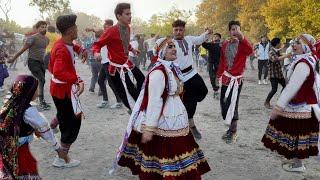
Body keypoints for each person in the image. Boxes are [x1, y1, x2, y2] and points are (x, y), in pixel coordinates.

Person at [115, 37, 211, 179]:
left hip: (176, 117)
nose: (173, 49)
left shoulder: (172, 68)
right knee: (166, 155)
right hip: (164, 121)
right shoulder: (158, 72)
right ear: (161, 52)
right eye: (169, 47)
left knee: (176, 154)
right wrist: (149, 128)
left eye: (174, 46)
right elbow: (154, 102)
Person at [261, 34, 319, 173]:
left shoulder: (303, 64)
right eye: (293, 42)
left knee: (296, 134)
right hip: (301, 103)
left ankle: (298, 164)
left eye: (297, 43)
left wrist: (279, 106)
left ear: (305, 47)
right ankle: (296, 162)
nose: (293, 45)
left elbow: (292, 86)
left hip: (301, 105)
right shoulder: (307, 59)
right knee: (296, 134)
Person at [0, 75, 68, 179]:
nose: (38, 93)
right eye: (36, 90)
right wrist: (58, 149)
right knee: (24, 171)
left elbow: (14, 123)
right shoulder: (28, 110)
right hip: (19, 151)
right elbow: (45, 129)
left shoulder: (9, 103)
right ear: (29, 92)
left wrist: (32, 129)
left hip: (4, 148)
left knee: (8, 172)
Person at [48, 14, 87, 168]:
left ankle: (52, 124)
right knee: (72, 123)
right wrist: (77, 80)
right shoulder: (60, 49)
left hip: (62, 90)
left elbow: (72, 46)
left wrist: (80, 49)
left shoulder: (66, 43)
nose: (77, 29)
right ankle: (61, 158)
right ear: (71, 30)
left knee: (66, 114)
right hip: (61, 91)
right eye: (76, 27)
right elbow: (58, 72)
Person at [92, 3, 145, 110]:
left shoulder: (128, 28)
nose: (130, 16)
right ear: (119, 16)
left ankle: (139, 106)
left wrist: (132, 49)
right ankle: (135, 111)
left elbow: (125, 43)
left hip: (126, 64)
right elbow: (97, 44)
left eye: (130, 13)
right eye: (127, 14)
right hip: (115, 69)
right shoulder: (111, 31)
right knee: (126, 94)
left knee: (142, 79)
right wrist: (96, 53)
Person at [172, 19, 211, 139]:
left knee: (203, 91)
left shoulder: (188, 39)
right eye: (176, 30)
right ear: (173, 30)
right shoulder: (170, 43)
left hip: (192, 73)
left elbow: (200, 39)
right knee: (190, 103)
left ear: (184, 30)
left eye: (181, 30)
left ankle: (188, 105)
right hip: (180, 77)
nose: (178, 32)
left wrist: (208, 32)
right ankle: (191, 126)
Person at [217, 20, 253, 144]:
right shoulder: (225, 43)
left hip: (236, 81)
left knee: (233, 105)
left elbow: (250, 51)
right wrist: (218, 76)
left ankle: (233, 132)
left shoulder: (243, 44)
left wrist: (242, 38)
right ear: (229, 31)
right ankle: (230, 129)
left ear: (240, 31)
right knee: (223, 105)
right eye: (233, 29)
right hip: (226, 78)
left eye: (237, 29)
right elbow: (222, 61)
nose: (235, 31)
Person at [8, 21, 50, 111]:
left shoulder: (47, 39)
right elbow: (23, 50)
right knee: (42, 79)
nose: (44, 28)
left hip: (41, 63)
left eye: (45, 27)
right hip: (33, 62)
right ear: (37, 28)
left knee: (41, 81)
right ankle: (41, 102)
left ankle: (32, 98)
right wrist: (13, 59)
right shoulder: (32, 38)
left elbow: (44, 51)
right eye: (42, 27)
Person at [93, 19, 123, 109]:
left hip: (109, 62)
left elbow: (100, 32)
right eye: (104, 25)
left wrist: (92, 29)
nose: (104, 26)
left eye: (106, 25)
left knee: (111, 83)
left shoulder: (111, 33)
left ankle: (119, 102)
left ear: (110, 26)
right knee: (100, 81)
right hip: (104, 62)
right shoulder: (106, 34)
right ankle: (105, 100)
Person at [264, 38, 286, 109]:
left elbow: (279, 54)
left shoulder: (275, 51)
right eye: (280, 42)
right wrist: (286, 56)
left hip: (278, 73)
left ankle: (281, 101)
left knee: (285, 86)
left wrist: (286, 53)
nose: (280, 44)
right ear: (277, 44)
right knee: (274, 89)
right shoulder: (271, 52)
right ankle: (266, 102)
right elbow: (275, 59)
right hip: (273, 74)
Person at [202, 33, 221, 98]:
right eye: (214, 36)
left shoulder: (222, 45)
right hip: (211, 64)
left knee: (217, 77)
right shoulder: (210, 44)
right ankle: (215, 90)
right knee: (212, 77)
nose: (215, 37)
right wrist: (206, 34)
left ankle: (217, 89)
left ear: (219, 38)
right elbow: (203, 43)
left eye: (217, 36)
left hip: (219, 64)